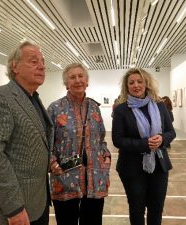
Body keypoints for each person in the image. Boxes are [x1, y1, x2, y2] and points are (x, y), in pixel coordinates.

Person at [0, 41, 53, 225]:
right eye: (34, 61)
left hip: (36, 201)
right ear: (15, 66)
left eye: (42, 61)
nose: (42, 66)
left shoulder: (33, 98)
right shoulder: (0, 97)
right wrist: (14, 209)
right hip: (14, 209)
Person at [47, 63, 111, 225]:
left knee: (93, 221)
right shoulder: (55, 108)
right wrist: (53, 163)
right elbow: (46, 142)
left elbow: (101, 139)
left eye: (81, 76)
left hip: (95, 178)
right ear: (66, 83)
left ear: (87, 81)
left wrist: (106, 157)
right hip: (65, 178)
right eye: (72, 77)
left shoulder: (95, 108)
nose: (77, 80)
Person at [112, 68, 176, 225]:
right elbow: (117, 140)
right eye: (131, 82)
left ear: (146, 83)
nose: (136, 85)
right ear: (126, 86)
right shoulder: (121, 110)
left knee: (156, 207)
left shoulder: (160, 105)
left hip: (159, 165)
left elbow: (171, 132)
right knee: (137, 208)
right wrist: (145, 144)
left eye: (139, 81)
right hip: (131, 167)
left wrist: (162, 139)